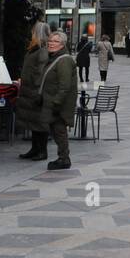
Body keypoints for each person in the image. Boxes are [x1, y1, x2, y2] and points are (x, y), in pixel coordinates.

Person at [15, 23, 51, 161]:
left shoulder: (42, 49)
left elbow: (40, 71)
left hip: (36, 90)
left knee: (40, 122)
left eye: (33, 32)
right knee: (33, 121)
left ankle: (42, 150)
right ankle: (35, 148)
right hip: (29, 89)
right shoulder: (35, 48)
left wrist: (36, 87)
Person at [42, 30, 77, 170]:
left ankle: (64, 158)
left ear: (62, 44)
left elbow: (65, 85)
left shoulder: (64, 60)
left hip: (59, 103)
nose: (51, 43)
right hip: (53, 101)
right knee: (56, 130)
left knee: (59, 130)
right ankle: (62, 157)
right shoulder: (54, 58)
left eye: (55, 41)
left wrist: (57, 103)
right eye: (50, 41)